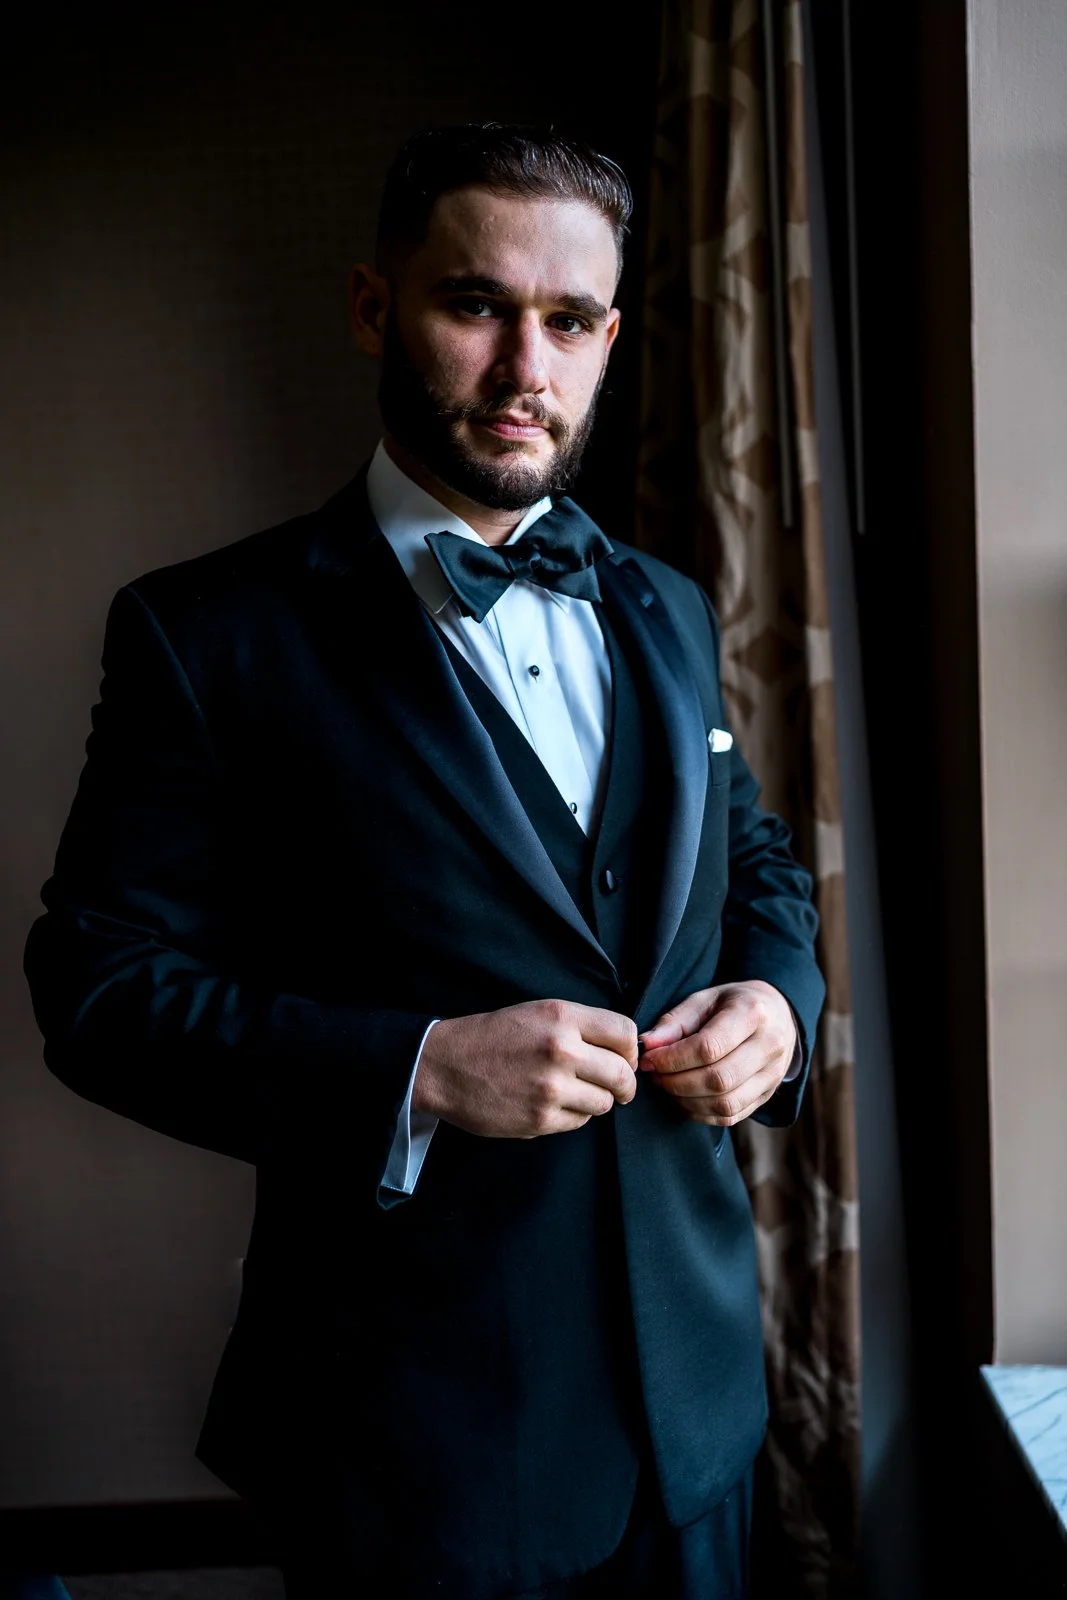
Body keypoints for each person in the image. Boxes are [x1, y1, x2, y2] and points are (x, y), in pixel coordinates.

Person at [23, 124, 825, 1599]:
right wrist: (419, 1071)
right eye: (475, 305)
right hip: (411, 1438)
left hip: (699, 1409)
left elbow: (753, 853)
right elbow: (96, 990)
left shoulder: (665, 603)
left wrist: (779, 1001)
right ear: (373, 306)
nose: (527, 368)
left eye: (569, 322)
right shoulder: (206, 635)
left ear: (608, 340)